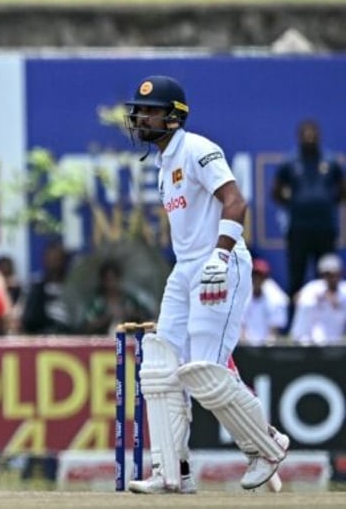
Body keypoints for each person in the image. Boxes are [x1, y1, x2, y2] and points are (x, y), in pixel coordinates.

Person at [121, 75, 288, 494]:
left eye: (151, 110)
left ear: (174, 118)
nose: (141, 117)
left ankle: (266, 447)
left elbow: (236, 201)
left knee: (205, 371)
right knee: (160, 366)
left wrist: (221, 254)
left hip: (219, 263)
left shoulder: (198, 148)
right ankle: (172, 473)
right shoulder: (162, 165)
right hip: (185, 269)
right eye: (139, 110)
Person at [272, 119, 346, 320]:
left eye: (313, 135)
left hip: (325, 228)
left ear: (319, 137)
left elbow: (342, 190)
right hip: (299, 229)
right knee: (297, 278)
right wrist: (296, 202)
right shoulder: (290, 163)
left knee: (327, 276)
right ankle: (295, 324)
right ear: (299, 137)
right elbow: (276, 192)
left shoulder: (330, 162)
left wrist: (325, 202)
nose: (310, 138)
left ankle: (329, 323)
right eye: (306, 135)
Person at [21, 241, 81, 335]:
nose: (54, 263)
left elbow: (79, 320)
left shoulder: (74, 288)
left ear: (64, 260)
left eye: (57, 259)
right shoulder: (34, 286)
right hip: (39, 339)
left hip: (69, 338)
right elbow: (25, 317)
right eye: (51, 259)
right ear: (45, 260)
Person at [81, 259, 153, 335]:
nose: (111, 283)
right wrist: (107, 318)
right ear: (103, 281)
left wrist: (132, 315)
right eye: (108, 280)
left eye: (114, 279)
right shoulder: (98, 303)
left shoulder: (128, 300)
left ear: (119, 279)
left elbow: (147, 317)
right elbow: (86, 326)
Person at [289, 253, 346, 345]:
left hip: (336, 342)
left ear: (340, 273)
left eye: (333, 274)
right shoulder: (313, 287)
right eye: (326, 274)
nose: (330, 278)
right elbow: (297, 299)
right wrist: (318, 299)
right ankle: (301, 342)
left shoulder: (344, 290)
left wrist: (336, 303)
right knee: (308, 304)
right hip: (312, 343)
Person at [239, 258, 289, 345]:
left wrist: (267, 347)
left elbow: (274, 332)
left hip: (267, 347)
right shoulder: (242, 295)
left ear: (266, 278)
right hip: (244, 346)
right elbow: (240, 327)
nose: (257, 279)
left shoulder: (276, 298)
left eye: (261, 276)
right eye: (254, 275)